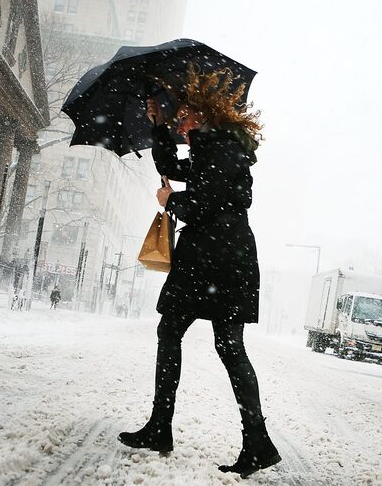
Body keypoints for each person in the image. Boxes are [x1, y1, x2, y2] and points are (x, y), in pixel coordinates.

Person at [118, 67, 280, 479]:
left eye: (184, 114)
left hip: (216, 258)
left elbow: (204, 205)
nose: (179, 121)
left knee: (213, 342)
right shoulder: (215, 146)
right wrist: (156, 125)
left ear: (204, 112)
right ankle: (173, 428)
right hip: (222, 257)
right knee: (200, 338)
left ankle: (242, 437)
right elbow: (172, 163)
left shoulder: (222, 149)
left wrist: (171, 200)